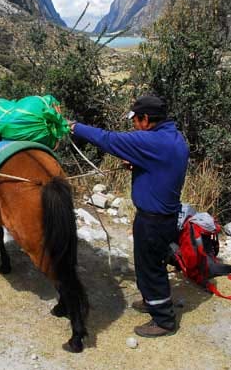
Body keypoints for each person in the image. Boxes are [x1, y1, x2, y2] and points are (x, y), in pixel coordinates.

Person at [70, 95, 189, 337]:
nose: (134, 123)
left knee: (150, 267)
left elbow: (108, 139)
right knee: (149, 263)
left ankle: (164, 320)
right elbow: (162, 166)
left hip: (154, 219)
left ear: (146, 119)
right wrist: (139, 164)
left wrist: (74, 127)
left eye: (136, 119)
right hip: (165, 216)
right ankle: (152, 301)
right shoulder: (174, 138)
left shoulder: (151, 141)